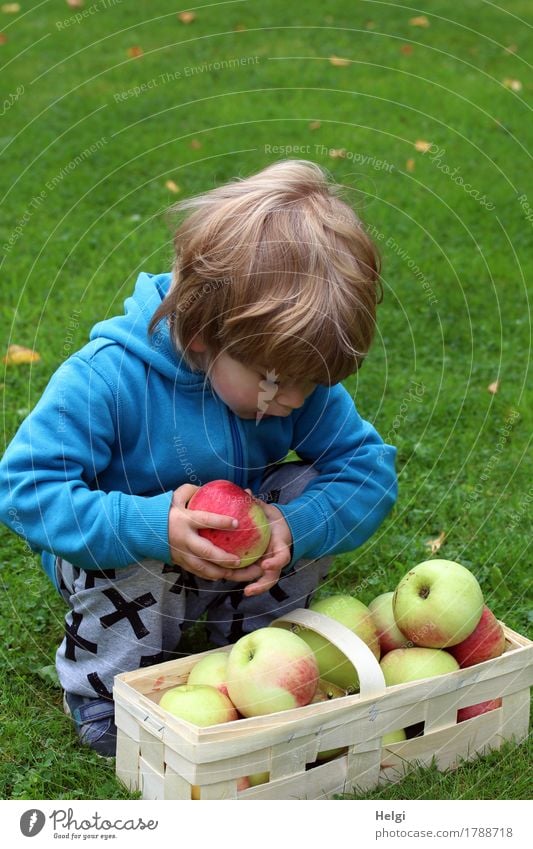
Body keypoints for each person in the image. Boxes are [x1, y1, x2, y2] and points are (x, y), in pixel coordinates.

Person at [0, 159, 397, 757]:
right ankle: (104, 695)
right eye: (274, 381)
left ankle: (249, 651)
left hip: (230, 551)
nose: (291, 399)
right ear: (202, 334)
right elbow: (24, 488)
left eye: (309, 384)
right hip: (119, 562)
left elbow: (368, 469)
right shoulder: (107, 379)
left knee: (308, 484)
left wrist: (295, 524)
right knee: (132, 553)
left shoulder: (288, 380)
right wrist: (149, 526)